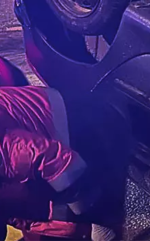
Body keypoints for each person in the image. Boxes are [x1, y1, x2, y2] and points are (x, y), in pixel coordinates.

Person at [0, 57, 113, 240]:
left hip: (68, 121)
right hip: (37, 144)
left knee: (83, 210)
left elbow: (60, 162)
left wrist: (96, 219)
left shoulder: (12, 152)